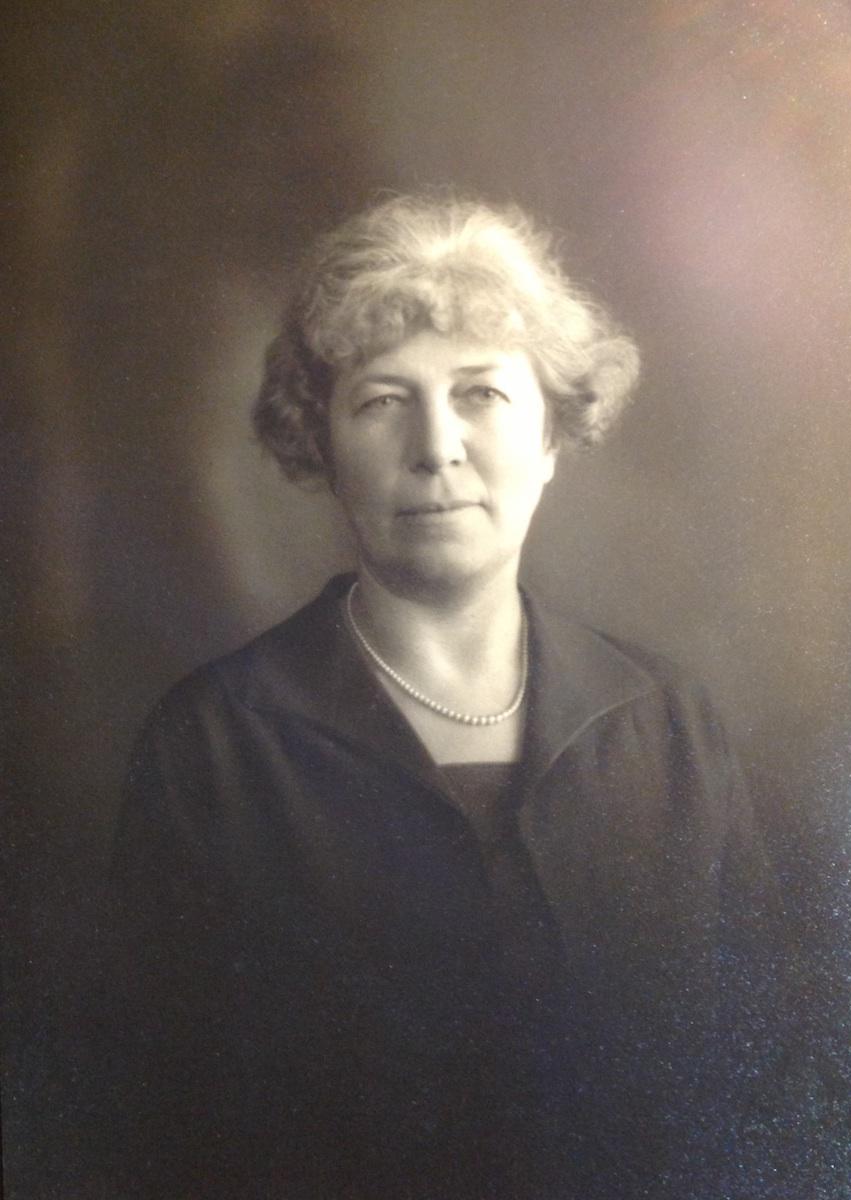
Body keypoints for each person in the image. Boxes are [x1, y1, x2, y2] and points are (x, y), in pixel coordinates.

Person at [99, 194, 788, 1199]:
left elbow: (768, 1088)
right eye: (383, 401)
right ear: (323, 446)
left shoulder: (669, 727)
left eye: (481, 393)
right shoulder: (212, 749)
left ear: (551, 437)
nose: (437, 447)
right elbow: (154, 1135)